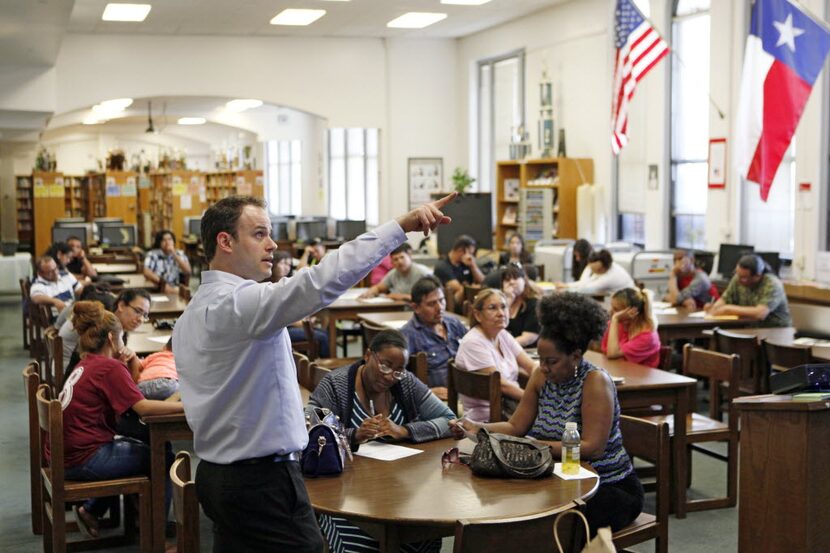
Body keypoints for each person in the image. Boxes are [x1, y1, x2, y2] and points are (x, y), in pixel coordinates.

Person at [173, 192, 455, 552]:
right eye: (259, 234)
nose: (272, 245)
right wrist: (399, 227)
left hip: (218, 473)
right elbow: (320, 281)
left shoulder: (191, 315)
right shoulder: (241, 304)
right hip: (262, 481)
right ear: (224, 241)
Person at [451, 292, 644, 534]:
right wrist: (476, 428)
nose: (543, 367)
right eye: (541, 359)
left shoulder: (594, 382)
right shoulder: (541, 377)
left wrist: (533, 445)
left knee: (547, 526)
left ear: (575, 356)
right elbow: (515, 427)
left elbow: (593, 447)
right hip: (558, 479)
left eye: (551, 361)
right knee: (505, 511)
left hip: (607, 486)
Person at [308, 329, 454, 553]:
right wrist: (354, 434)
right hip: (344, 496)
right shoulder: (336, 384)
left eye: (398, 371)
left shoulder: (405, 384)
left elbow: (450, 420)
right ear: (368, 355)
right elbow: (310, 428)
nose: (389, 376)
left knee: (422, 536)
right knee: (361, 543)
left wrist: (404, 430)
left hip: (399, 491)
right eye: (385, 366)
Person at [57, 301, 183, 541]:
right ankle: (157, 535)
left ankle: (104, 512)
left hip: (68, 452)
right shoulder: (108, 367)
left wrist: (130, 360)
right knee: (163, 456)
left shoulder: (87, 362)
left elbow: (130, 392)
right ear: (114, 341)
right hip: (84, 458)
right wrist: (183, 405)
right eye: (122, 338)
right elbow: (143, 407)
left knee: (145, 448)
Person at [454, 288, 535, 423]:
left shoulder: (502, 334)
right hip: (490, 416)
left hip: (513, 407)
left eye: (503, 307)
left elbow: (531, 366)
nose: (501, 313)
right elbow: (501, 385)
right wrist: (534, 399)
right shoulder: (474, 342)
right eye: (493, 308)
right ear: (478, 315)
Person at [60, 288, 152, 382]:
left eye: (145, 315)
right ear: (121, 305)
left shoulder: (119, 330)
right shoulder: (103, 329)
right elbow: (112, 374)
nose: (140, 319)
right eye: (137, 311)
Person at [400, 276, 467, 400]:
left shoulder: (454, 324)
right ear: (416, 307)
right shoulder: (408, 334)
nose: (440, 308)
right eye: (432, 304)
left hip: (469, 390)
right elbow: (396, 374)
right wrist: (425, 391)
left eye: (442, 300)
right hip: (439, 400)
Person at [270, 249, 330, 358]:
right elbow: (278, 316)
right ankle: (326, 370)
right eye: (283, 263)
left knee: (325, 333)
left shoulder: (285, 283)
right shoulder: (269, 286)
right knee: (323, 337)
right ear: (273, 264)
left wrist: (304, 320)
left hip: (291, 325)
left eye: (289, 264)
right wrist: (301, 322)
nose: (286, 267)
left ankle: (318, 367)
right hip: (282, 330)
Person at [705, 253, 792, 327]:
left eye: (744, 277)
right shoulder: (738, 278)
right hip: (748, 328)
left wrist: (728, 309)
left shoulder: (772, 284)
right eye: (737, 274)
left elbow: (760, 313)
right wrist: (714, 308)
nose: (739, 279)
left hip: (775, 330)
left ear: (758, 275)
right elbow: (725, 299)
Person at [601, 287, 661, 368]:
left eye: (616, 309)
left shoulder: (647, 336)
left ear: (633, 312)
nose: (610, 312)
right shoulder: (618, 325)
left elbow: (612, 354)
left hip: (639, 378)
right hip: (618, 371)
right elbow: (605, 351)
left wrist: (615, 319)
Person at [359, 242, 431, 301]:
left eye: (402, 257)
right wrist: (369, 292)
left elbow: (429, 297)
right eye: (395, 259)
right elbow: (379, 288)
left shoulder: (422, 272)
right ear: (392, 262)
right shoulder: (394, 273)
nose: (399, 262)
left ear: (409, 256)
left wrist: (399, 296)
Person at [433, 234, 485, 309]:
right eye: (470, 253)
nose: (471, 256)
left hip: (470, 300)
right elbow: (458, 289)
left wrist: (473, 265)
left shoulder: (467, 262)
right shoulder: (442, 266)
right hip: (452, 303)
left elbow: (483, 281)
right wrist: (474, 288)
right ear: (460, 250)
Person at [30, 255, 83, 320]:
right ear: (40, 273)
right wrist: (55, 301)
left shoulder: (66, 275)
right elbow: (36, 298)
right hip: (58, 318)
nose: (55, 273)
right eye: (50, 272)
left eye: (55, 268)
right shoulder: (38, 285)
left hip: (73, 312)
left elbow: (79, 289)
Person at [563, 249, 634, 295]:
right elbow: (585, 282)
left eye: (596, 270)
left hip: (627, 300)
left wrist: (565, 289)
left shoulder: (610, 277)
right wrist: (566, 285)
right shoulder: (605, 265)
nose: (594, 272)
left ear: (603, 268)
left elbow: (585, 289)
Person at [501, 265, 541, 347]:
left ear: (524, 281)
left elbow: (528, 338)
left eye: (515, 278)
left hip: (526, 350)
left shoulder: (533, 303)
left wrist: (503, 346)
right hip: (506, 350)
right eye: (507, 280)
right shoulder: (502, 303)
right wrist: (508, 300)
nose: (511, 282)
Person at [143, 229, 192, 294]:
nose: (167, 242)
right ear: (159, 243)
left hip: (175, 286)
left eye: (170, 239)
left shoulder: (180, 254)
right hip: (157, 285)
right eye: (164, 240)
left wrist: (174, 253)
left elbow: (188, 271)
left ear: (173, 241)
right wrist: (163, 284)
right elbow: (146, 272)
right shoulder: (152, 254)